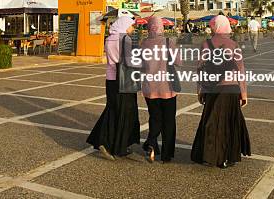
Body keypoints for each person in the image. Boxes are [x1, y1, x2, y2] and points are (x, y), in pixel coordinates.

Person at [191, 15, 251, 168]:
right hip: (231, 88)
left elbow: (200, 69)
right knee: (229, 123)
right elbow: (240, 70)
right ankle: (228, 157)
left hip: (212, 88)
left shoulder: (206, 44)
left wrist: (200, 90)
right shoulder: (233, 44)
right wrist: (243, 93)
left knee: (212, 122)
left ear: (214, 26)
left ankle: (211, 155)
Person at [87, 16, 140, 160]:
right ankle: (111, 143)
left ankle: (109, 142)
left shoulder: (109, 39)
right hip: (124, 79)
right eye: (131, 26)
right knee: (125, 111)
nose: (133, 29)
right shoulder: (125, 40)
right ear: (124, 25)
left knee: (112, 109)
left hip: (111, 79)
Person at [140, 16, 181, 163]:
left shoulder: (144, 43)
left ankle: (151, 143)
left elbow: (140, 64)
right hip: (167, 88)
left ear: (149, 27)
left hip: (149, 88)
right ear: (161, 27)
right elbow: (178, 62)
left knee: (155, 117)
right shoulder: (168, 42)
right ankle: (166, 155)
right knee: (169, 121)